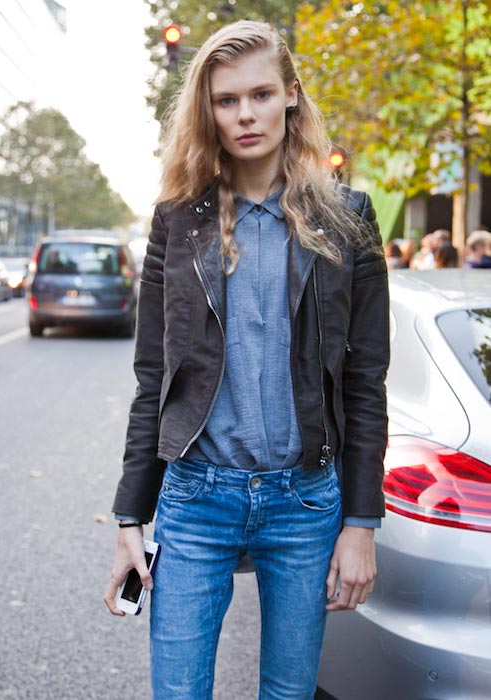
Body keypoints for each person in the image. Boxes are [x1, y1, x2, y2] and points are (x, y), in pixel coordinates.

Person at [104, 20, 389, 700]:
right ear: (208, 111)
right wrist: (128, 520)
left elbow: (363, 382)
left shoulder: (347, 219)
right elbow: (155, 381)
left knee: (287, 694)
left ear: (290, 96)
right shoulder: (177, 220)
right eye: (226, 100)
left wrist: (360, 523)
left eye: (260, 94)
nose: (244, 115)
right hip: (197, 499)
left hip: (305, 503)